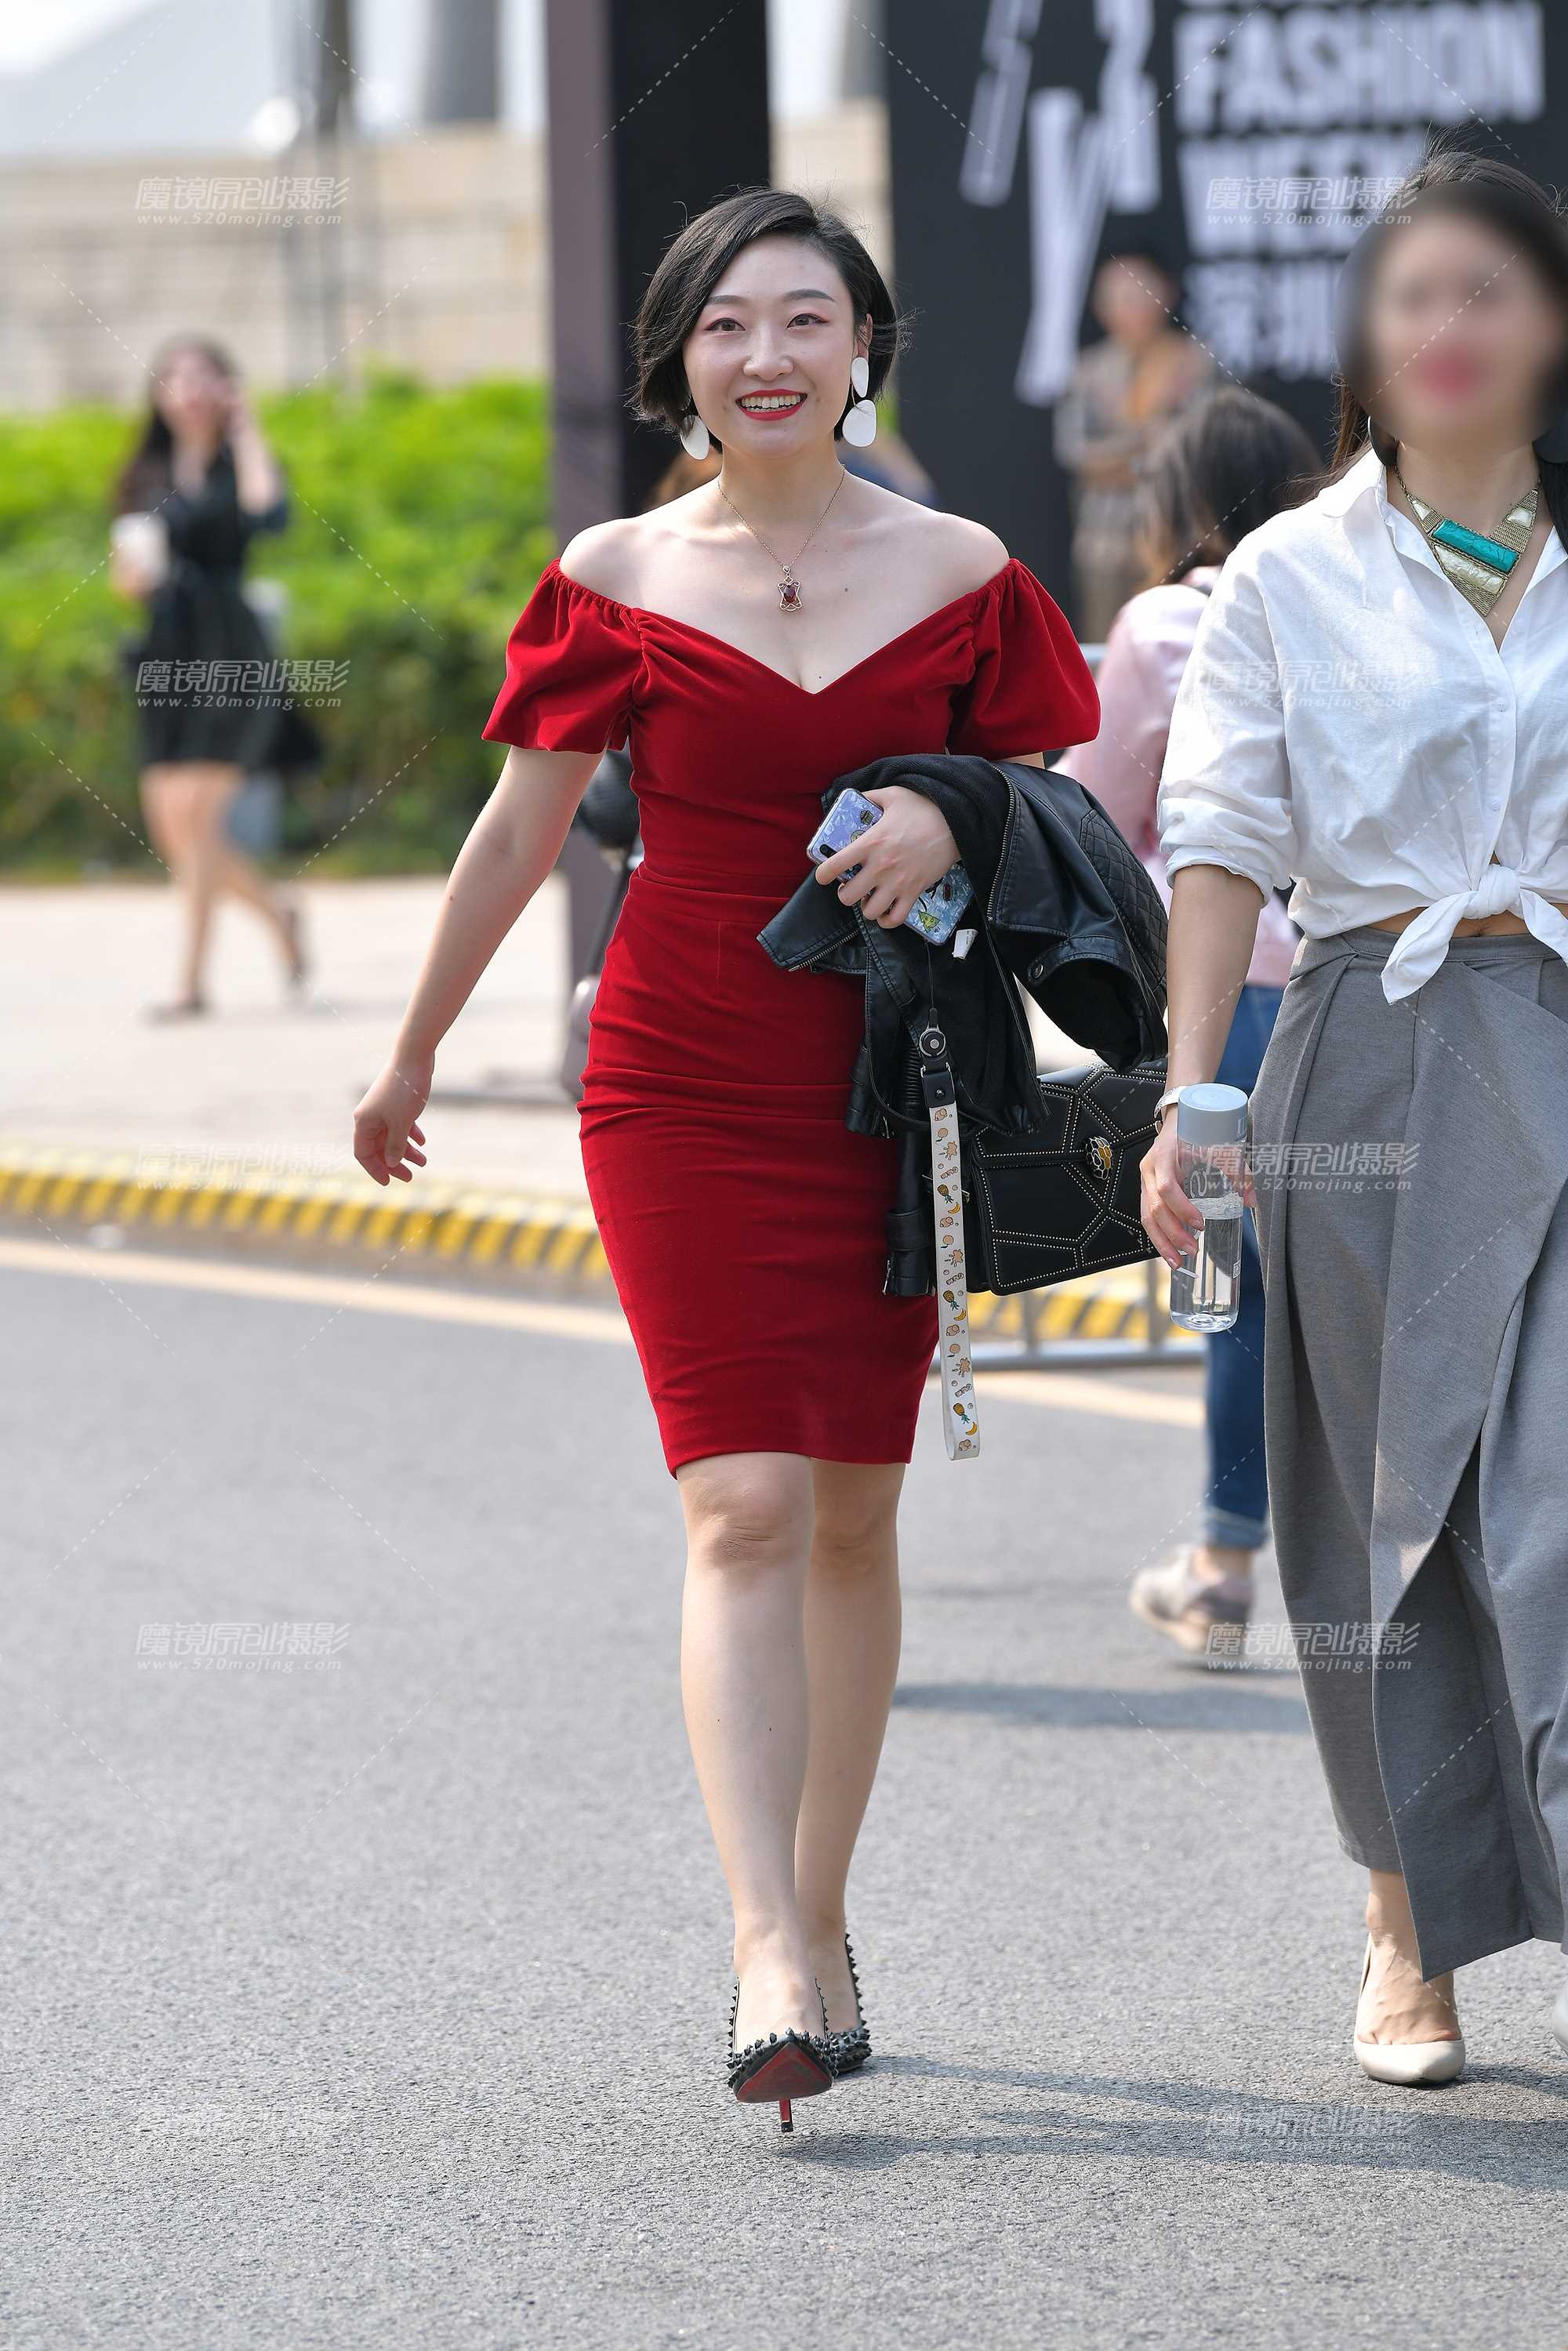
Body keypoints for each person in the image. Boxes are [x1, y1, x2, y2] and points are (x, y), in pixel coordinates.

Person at [352, 187, 1099, 2126]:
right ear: (677, 361)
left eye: (805, 319)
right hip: (677, 1076)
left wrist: (953, 813)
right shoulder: (612, 574)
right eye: (725, 325)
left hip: (888, 1082)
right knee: (745, 1503)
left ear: (863, 350)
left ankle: (825, 1910)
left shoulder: (961, 569)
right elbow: (517, 834)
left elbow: (1056, 785)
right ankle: (762, 1938)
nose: (766, 355)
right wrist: (413, 1044)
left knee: (852, 1511)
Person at [1143, 142, 1568, 2084]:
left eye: (1488, 288)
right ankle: (1403, 1920)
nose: (1449, 327)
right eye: (1413, 296)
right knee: (1384, 1524)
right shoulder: (1285, 576)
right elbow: (1220, 840)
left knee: (1548, 1510)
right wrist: (1193, 1096)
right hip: (1371, 1050)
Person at [1054, 387, 1316, 1654]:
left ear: (1178, 508)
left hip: (1221, 1004)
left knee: (1230, 1283)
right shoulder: (1347, 609)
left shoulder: (1165, 625)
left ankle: (1221, 1565)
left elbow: (1092, 813)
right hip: (1360, 986)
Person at [111, 337, 321, 1019]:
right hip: (166, 648)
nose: (190, 390)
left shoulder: (242, 462)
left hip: (232, 650)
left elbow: (270, 515)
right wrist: (131, 580)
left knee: (200, 819)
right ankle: (279, 914)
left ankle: (191, 984)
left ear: (227, 388)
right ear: (159, 393)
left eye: (205, 378)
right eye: (176, 378)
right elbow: (125, 571)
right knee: (172, 829)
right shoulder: (143, 472)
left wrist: (247, 425)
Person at [1052, 247, 1218, 643]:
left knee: (1180, 640)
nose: (1132, 306)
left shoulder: (1195, 364)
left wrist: (1122, 457)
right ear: (1100, 306)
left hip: (1178, 535)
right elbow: (1076, 454)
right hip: (1103, 541)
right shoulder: (1088, 371)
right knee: (1105, 642)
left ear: (1167, 293)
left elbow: (1194, 448)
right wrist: (1145, 439)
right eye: (1119, 296)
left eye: (1142, 292)